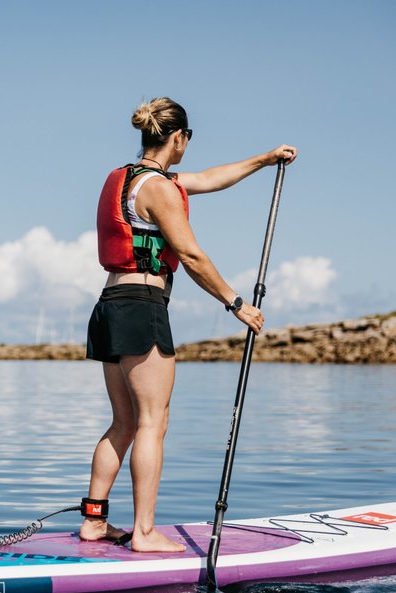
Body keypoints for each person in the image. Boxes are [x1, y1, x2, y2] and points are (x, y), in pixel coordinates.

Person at [81, 97, 297, 551]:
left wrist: (265, 158)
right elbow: (193, 256)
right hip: (142, 305)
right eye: (188, 139)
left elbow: (209, 179)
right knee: (151, 424)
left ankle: (95, 521)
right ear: (178, 138)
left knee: (122, 422)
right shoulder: (159, 189)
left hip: (111, 303)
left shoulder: (129, 179)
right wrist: (235, 303)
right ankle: (143, 533)